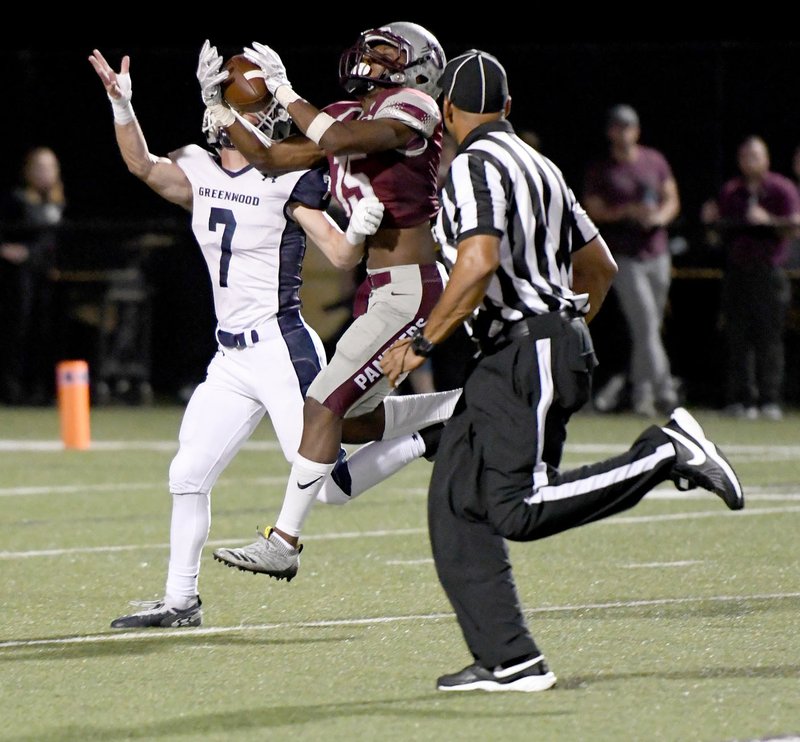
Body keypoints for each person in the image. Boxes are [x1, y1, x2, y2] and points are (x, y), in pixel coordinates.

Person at [381, 49, 744, 693]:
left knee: (518, 507)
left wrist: (420, 341)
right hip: (533, 348)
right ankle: (509, 658)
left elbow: (479, 261)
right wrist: (569, 323)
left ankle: (665, 451)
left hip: (523, 350)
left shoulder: (469, 166)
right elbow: (598, 266)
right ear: (509, 109)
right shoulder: (540, 165)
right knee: (456, 501)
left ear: (446, 111)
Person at [89, 47, 452, 629]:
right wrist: (120, 105)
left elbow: (337, 252)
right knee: (187, 474)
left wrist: (357, 231)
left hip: (281, 344)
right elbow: (143, 166)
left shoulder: (288, 178)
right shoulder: (199, 169)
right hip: (229, 355)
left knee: (329, 485)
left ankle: (424, 436)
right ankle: (181, 602)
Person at [202, 23, 460, 580]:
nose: (370, 56)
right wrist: (222, 112)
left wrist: (288, 92)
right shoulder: (345, 112)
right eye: (369, 46)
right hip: (378, 289)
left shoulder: (415, 105)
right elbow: (272, 159)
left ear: (417, 65)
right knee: (344, 424)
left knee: (319, 406)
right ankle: (451, 413)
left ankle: (284, 542)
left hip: (411, 285)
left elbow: (340, 143)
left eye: (386, 50)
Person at [583, 104, 681, 417]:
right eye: (618, 127)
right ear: (611, 131)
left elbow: (671, 198)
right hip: (625, 256)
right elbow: (592, 208)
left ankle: (642, 396)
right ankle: (665, 390)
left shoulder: (654, 160)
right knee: (645, 322)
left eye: (629, 127)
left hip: (657, 252)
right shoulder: (603, 169)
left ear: (636, 131)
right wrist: (625, 213)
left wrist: (657, 218)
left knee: (648, 327)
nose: (624, 133)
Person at [700, 135, 800, 421]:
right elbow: (716, 235)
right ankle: (740, 399)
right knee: (737, 336)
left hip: (770, 272)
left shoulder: (781, 188)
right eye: (745, 156)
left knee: (769, 337)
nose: (750, 161)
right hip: (737, 271)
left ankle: (769, 399)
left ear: (766, 159)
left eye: (755, 156)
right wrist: (710, 221)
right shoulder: (732, 191)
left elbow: (795, 226)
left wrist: (767, 220)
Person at [0, 146, 66, 405]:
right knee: (19, 330)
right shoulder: (15, 200)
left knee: (48, 333)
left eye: (50, 167)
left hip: (50, 279)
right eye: (39, 167)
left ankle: (42, 389)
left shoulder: (59, 203)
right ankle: (12, 388)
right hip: (19, 280)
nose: (45, 173)